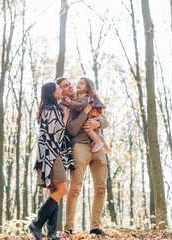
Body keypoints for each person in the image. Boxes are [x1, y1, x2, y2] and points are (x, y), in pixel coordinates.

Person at [56, 77, 109, 237]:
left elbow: (105, 120)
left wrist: (98, 124)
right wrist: (85, 112)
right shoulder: (67, 105)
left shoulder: (91, 100)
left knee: (101, 187)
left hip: (97, 145)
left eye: (75, 84)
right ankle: (69, 227)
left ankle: (95, 227)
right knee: (76, 187)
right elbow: (71, 130)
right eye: (69, 85)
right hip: (79, 145)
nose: (73, 86)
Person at [29, 82, 74, 240]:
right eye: (58, 89)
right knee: (62, 190)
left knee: (55, 192)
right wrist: (66, 116)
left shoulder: (45, 108)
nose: (61, 90)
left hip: (46, 154)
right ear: (52, 93)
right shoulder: (52, 109)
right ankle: (37, 223)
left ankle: (52, 233)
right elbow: (58, 133)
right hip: (52, 153)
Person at [65, 77, 110, 153]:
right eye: (78, 83)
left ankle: (97, 142)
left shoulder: (86, 98)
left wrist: (71, 103)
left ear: (87, 88)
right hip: (95, 116)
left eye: (81, 84)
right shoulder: (82, 97)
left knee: (87, 127)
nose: (78, 85)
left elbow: (79, 106)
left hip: (93, 116)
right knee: (97, 132)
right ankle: (105, 146)